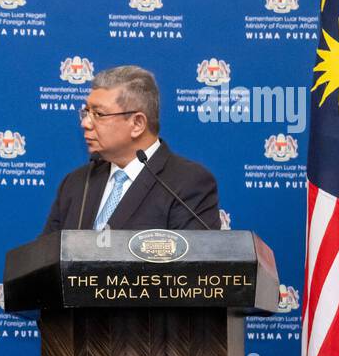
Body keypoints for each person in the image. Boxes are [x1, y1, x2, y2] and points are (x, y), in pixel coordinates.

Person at [41, 65, 220, 233]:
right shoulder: (76, 182)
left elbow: (194, 261)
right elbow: (46, 258)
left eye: (98, 114)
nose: (85, 123)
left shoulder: (188, 183)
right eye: (86, 112)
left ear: (137, 124)